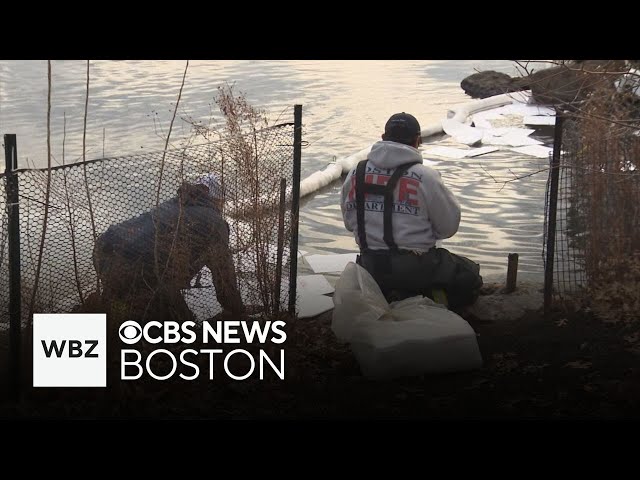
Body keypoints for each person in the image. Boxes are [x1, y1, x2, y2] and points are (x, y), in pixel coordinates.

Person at [340, 112, 483, 309]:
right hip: (417, 268)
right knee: (469, 274)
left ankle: (391, 294)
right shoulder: (426, 177)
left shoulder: (356, 172)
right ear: (418, 141)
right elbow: (448, 228)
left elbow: (349, 223)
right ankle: (435, 305)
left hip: (370, 267)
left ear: (383, 138)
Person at [93, 173, 245, 321]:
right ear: (217, 198)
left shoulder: (176, 203)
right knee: (181, 329)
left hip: (103, 249)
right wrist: (236, 311)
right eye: (222, 200)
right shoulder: (215, 223)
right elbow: (224, 276)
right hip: (137, 270)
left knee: (120, 309)